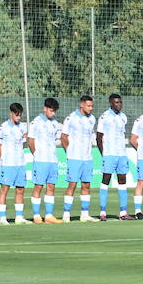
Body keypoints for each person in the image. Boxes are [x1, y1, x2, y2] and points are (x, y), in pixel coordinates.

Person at [60, 94, 99, 222]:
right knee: (72, 185)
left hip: (87, 158)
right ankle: (66, 214)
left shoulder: (92, 119)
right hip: (74, 158)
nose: (91, 108)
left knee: (86, 185)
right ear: (81, 104)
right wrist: (69, 152)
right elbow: (64, 137)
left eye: (92, 106)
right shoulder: (71, 118)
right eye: (88, 106)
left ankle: (85, 214)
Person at [0, 103, 29, 224]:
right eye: (17, 115)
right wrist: (2, 157)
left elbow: (24, 142)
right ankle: (3, 218)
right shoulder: (3, 127)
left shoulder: (23, 127)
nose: (19, 117)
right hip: (8, 164)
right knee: (5, 189)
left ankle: (19, 217)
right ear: (11, 114)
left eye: (20, 115)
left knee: (20, 189)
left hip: (20, 163)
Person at [95, 93, 130, 220]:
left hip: (121, 154)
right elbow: (99, 137)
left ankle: (123, 212)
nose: (119, 104)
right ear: (111, 103)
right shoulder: (105, 117)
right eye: (116, 102)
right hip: (109, 154)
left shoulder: (123, 117)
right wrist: (104, 154)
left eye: (120, 102)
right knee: (106, 181)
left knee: (122, 180)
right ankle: (103, 212)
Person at [28, 97, 62, 223]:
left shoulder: (55, 123)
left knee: (51, 187)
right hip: (41, 160)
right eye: (51, 111)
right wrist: (36, 155)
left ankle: (49, 216)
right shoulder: (36, 122)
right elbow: (30, 141)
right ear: (45, 109)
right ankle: (36, 215)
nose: (53, 114)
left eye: (54, 111)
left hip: (52, 160)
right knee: (38, 186)